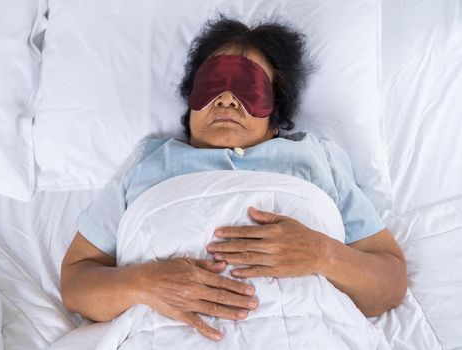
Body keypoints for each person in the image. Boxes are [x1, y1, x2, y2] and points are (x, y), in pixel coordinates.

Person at [61, 17, 407, 342]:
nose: (226, 99)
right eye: (213, 84)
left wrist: (323, 254)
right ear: (191, 103)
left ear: (275, 114)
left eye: (248, 87)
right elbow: (77, 282)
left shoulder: (317, 159)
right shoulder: (147, 161)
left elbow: (390, 282)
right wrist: (142, 283)